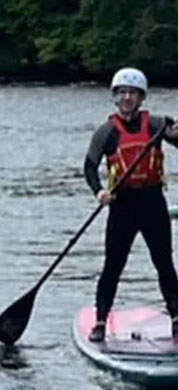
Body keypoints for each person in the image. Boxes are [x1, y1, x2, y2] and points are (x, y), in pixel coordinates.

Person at [84, 67, 178, 342]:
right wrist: (99, 191)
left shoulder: (156, 124)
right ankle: (100, 321)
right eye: (123, 93)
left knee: (164, 262)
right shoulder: (106, 132)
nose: (127, 98)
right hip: (122, 206)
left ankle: (176, 317)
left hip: (152, 202)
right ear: (116, 96)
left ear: (141, 98)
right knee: (113, 265)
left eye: (133, 93)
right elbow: (89, 166)